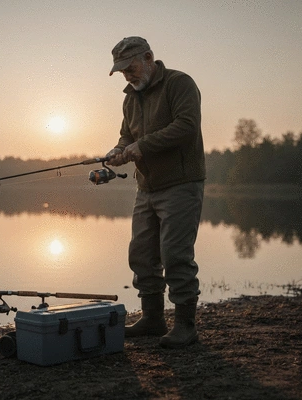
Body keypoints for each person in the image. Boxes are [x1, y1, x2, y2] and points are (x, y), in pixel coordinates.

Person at [106, 36, 206, 348]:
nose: (127, 74)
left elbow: (186, 125)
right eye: (121, 70)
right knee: (141, 254)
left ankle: (186, 326)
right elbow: (127, 136)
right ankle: (153, 319)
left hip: (181, 184)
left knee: (176, 255)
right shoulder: (129, 98)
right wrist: (119, 150)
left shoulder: (179, 84)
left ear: (148, 57)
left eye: (130, 67)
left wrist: (142, 146)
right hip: (146, 187)